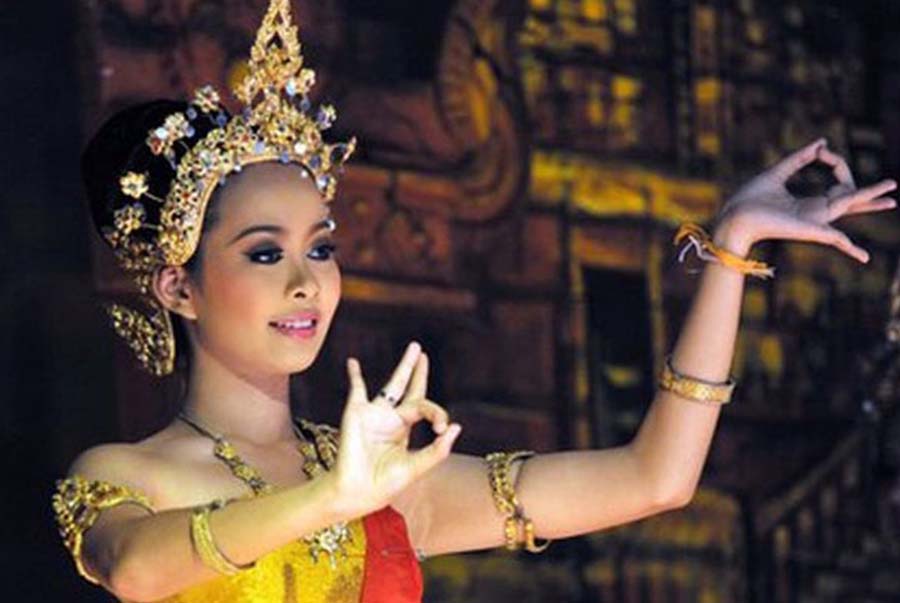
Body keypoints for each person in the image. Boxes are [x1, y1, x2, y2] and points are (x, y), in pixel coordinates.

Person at [51, 1, 898, 602]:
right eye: (265, 252)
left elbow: (655, 478)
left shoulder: (391, 486)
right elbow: (137, 572)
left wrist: (730, 249)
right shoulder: (127, 477)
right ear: (178, 286)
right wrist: (334, 499)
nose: (306, 281)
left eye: (322, 247)